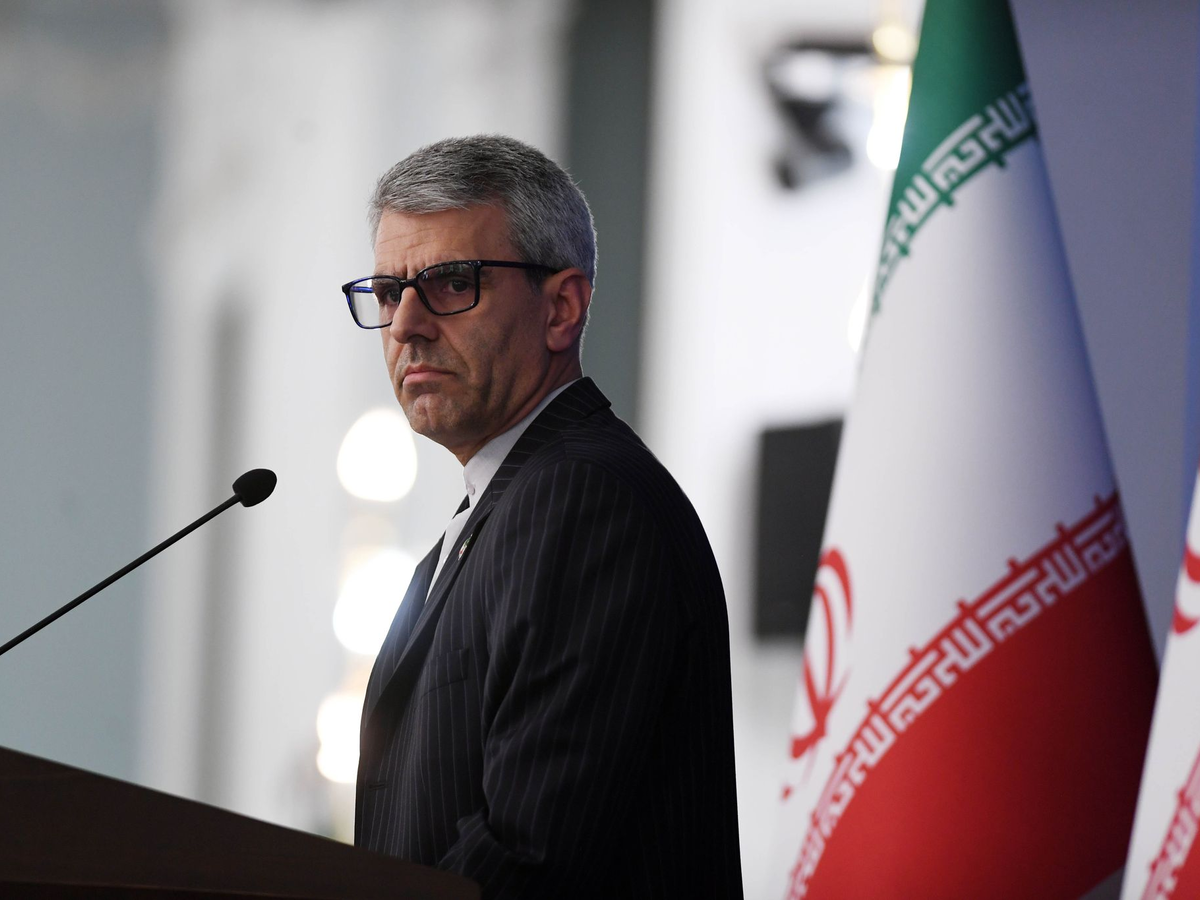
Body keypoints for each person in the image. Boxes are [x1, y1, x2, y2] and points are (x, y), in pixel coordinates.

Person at [344, 135, 742, 898]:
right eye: (390, 292)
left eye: (451, 283)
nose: (405, 326)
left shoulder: (581, 499)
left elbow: (528, 853)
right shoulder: (500, 510)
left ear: (561, 308)